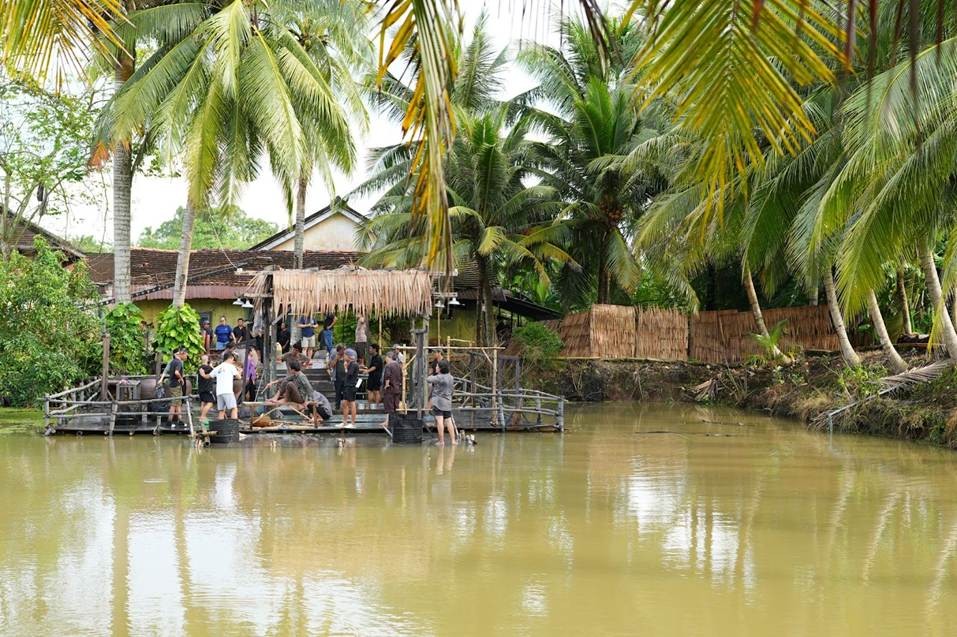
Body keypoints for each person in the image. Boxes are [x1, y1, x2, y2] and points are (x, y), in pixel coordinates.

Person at [427, 359, 457, 446]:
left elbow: (428, 379)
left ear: (440, 368)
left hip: (438, 402)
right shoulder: (451, 377)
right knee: (448, 420)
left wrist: (432, 373)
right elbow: (452, 390)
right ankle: (453, 441)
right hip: (447, 402)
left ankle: (441, 441)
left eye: (437, 366)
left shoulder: (439, 377)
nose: (436, 367)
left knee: (440, 421)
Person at [160, 348, 188, 427]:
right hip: (176, 385)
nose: (186, 356)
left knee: (178, 403)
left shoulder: (172, 361)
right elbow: (176, 372)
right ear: (180, 354)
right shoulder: (179, 362)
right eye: (185, 354)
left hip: (173, 384)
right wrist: (181, 379)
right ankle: (169, 422)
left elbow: (168, 371)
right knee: (174, 404)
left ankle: (180, 421)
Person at [211, 352, 241, 419]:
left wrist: (203, 374)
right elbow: (239, 377)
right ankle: (233, 426)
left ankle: (221, 427)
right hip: (227, 391)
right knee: (234, 408)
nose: (233, 361)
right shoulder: (231, 366)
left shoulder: (218, 367)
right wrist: (239, 371)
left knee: (221, 411)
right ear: (231, 358)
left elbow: (210, 375)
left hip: (219, 392)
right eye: (233, 359)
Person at [381, 350, 403, 428]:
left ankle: (388, 422)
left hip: (390, 389)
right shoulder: (398, 366)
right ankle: (393, 421)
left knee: (389, 406)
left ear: (389, 357)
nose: (385, 359)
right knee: (395, 406)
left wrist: (386, 385)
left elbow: (387, 376)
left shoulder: (388, 366)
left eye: (386, 358)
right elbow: (401, 376)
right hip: (397, 388)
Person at [341, 348, 360, 428]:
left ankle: (352, 423)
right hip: (347, 385)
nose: (344, 357)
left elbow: (349, 374)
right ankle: (344, 421)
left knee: (352, 403)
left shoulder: (353, 364)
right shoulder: (351, 364)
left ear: (348, 356)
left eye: (345, 355)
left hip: (351, 386)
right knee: (344, 403)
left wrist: (345, 367)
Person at [197, 353, 216, 427]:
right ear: (207, 360)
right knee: (210, 403)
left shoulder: (200, 368)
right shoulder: (209, 368)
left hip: (201, 389)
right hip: (207, 389)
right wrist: (211, 366)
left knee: (203, 403)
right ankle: (203, 416)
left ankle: (202, 417)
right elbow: (216, 372)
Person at [363, 343, 383, 407]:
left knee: (375, 391)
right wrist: (365, 368)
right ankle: (370, 404)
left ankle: (376, 405)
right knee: (370, 390)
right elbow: (372, 366)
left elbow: (374, 367)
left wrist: (367, 371)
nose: (369, 350)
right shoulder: (373, 357)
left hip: (376, 377)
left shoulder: (378, 358)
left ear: (374, 349)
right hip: (372, 376)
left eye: (370, 349)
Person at [329, 345, 346, 409]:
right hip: (337, 378)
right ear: (338, 351)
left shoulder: (345, 356)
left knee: (346, 392)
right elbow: (331, 366)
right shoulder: (335, 356)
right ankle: (337, 406)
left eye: (344, 350)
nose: (343, 351)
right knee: (338, 392)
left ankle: (345, 406)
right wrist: (336, 358)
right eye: (342, 350)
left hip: (345, 377)